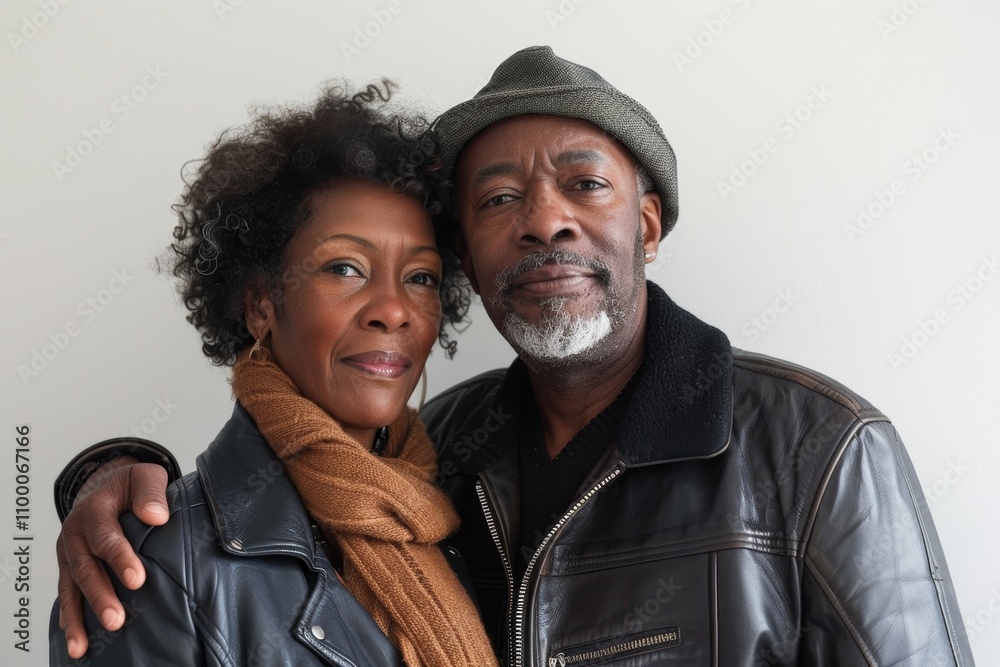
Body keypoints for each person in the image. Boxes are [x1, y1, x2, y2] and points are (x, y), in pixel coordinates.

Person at [52, 47, 975, 665]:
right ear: (474, 260)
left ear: (646, 225)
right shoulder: (442, 455)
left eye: (584, 184)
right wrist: (111, 478)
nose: (542, 218)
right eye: (497, 200)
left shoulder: (819, 451)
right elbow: (250, 529)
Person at [47, 81, 500, 666]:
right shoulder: (154, 564)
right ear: (261, 303)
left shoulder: (465, 499)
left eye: (421, 277)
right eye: (345, 267)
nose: (394, 310)